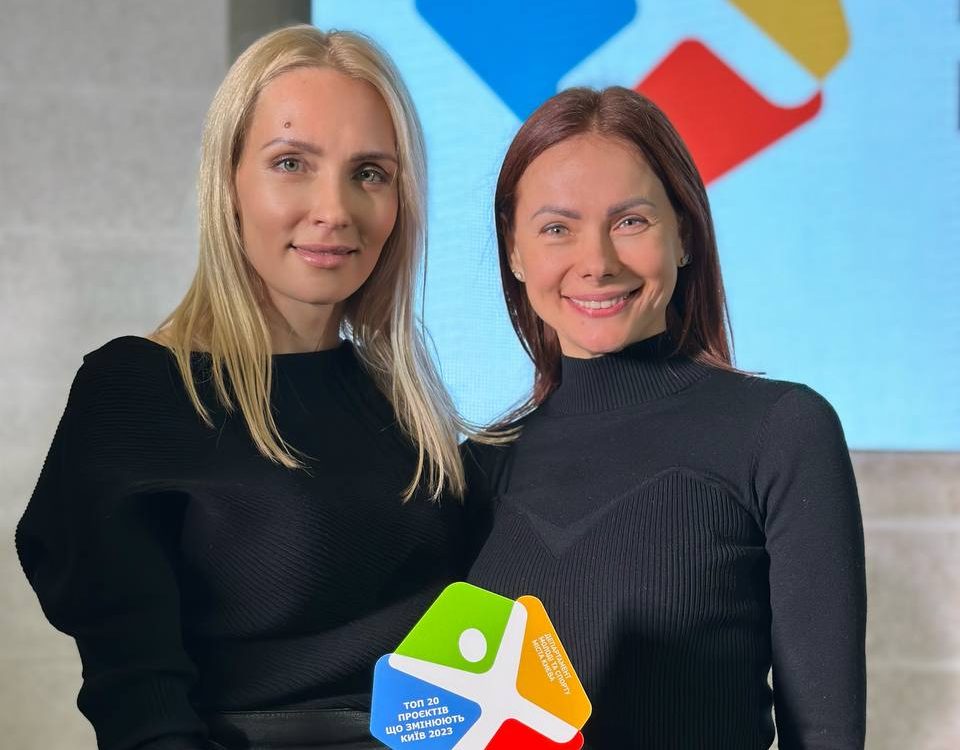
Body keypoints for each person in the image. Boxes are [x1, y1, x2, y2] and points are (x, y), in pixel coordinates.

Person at [15, 25, 469, 750]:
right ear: (228, 183)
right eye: (291, 163)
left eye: (370, 173)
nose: (335, 209)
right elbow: (141, 705)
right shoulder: (136, 394)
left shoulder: (405, 405)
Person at [464, 87, 866, 749]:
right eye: (557, 228)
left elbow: (825, 734)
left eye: (630, 221)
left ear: (683, 234)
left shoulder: (781, 432)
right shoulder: (473, 469)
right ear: (514, 251)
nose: (597, 263)